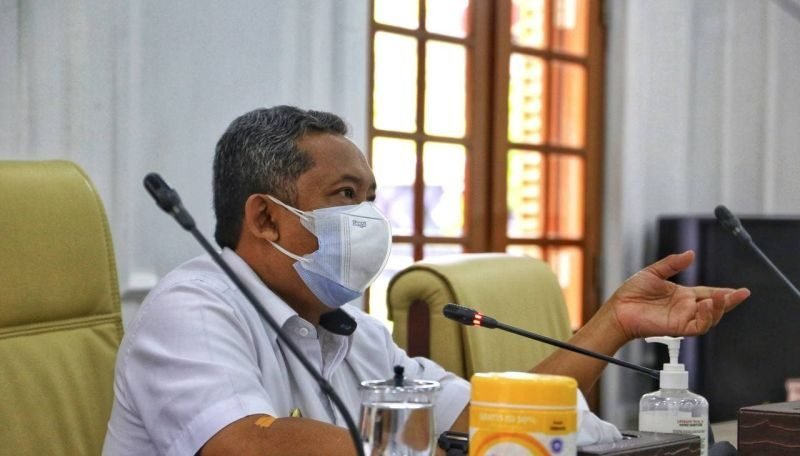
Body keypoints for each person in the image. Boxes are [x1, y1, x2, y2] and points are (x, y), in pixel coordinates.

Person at [102, 106, 750, 456]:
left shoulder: (351, 332)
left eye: (369, 198)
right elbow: (245, 443)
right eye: (345, 195)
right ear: (266, 218)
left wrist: (613, 324)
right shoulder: (193, 306)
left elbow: (494, 419)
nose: (367, 218)